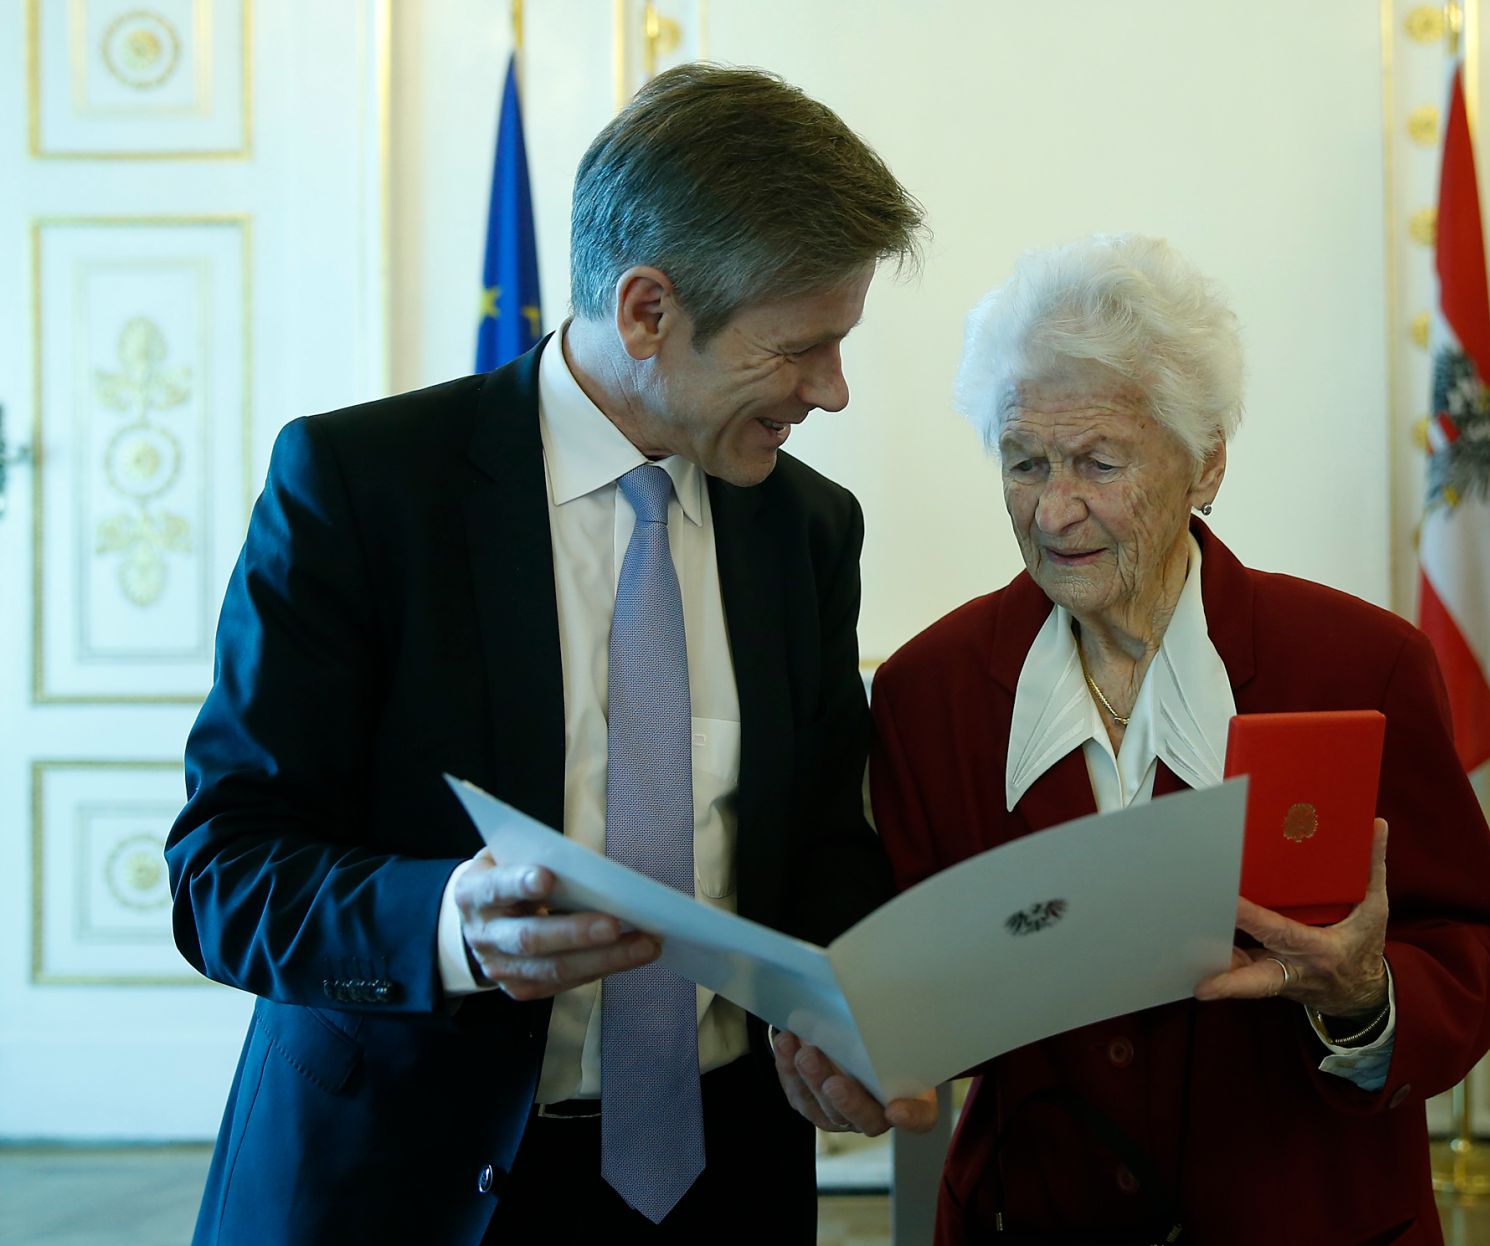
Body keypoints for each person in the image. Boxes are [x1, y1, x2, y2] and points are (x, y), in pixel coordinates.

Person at [165, 64, 933, 1245]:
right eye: (800, 348)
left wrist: (847, 1010)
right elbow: (224, 869)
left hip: (720, 1185)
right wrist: (445, 925)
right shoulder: (363, 492)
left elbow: (821, 839)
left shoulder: (805, 528)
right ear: (645, 310)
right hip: (403, 1187)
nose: (829, 392)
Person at [861, 234, 1490, 1242]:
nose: (1053, 508)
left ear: (1204, 460)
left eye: (1097, 460)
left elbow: (1475, 953)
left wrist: (1363, 994)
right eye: (1023, 461)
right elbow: (908, 977)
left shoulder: (1360, 667)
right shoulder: (928, 691)